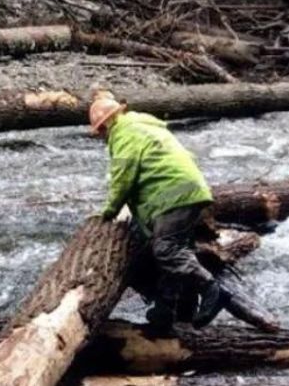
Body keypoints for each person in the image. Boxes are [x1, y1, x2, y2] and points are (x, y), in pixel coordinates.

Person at [90, 93, 227, 331]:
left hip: (174, 195)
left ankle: (211, 289)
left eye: (101, 131)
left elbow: (123, 178)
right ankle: (172, 313)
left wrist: (108, 212)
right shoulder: (146, 126)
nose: (102, 137)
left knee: (166, 250)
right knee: (173, 252)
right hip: (189, 190)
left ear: (107, 123)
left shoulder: (123, 133)